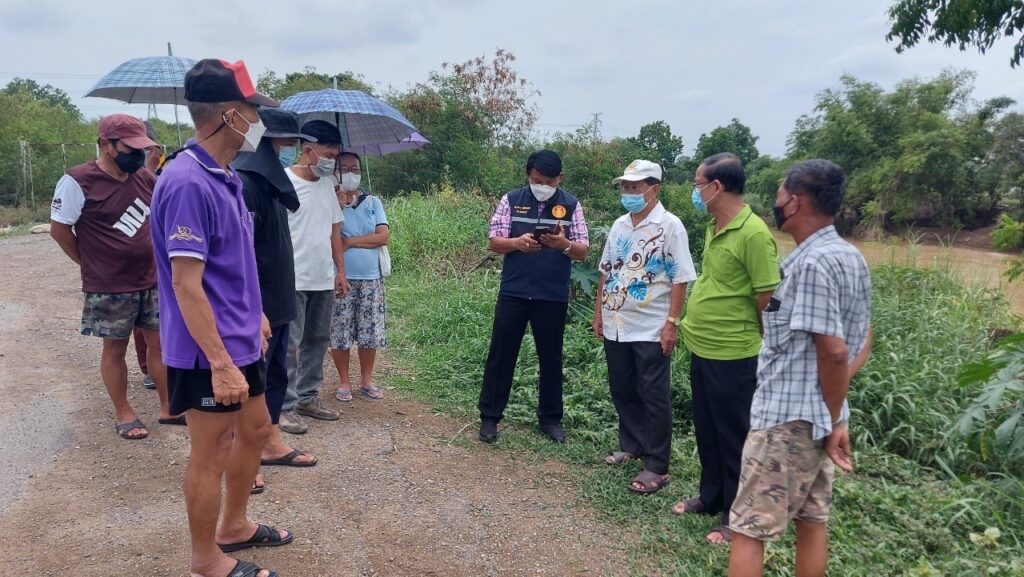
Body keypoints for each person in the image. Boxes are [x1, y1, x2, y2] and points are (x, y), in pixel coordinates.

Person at [151, 58, 289, 577]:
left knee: (255, 429)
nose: (259, 121)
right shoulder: (187, 181)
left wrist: (255, 315)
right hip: (207, 350)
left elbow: (232, 264)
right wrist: (220, 363)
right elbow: (186, 285)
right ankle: (206, 559)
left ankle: (234, 525)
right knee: (212, 449)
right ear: (230, 115)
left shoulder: (225, 176)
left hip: (240, 336)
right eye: (253, 110)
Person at [728, 159, 872, 577]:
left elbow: (835, 352)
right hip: (820, 420)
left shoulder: (811, 265)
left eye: (779, 194)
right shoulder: (850, 257)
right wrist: (834, 416)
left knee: (748, 528)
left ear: (795, 201)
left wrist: (829, 412)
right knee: (812, 521)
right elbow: (862, 339)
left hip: (785, 421)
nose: (775, 202)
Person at [670, 153, 781, 544]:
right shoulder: (714, 226)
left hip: (734, 352)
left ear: (716, 187)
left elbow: (765, 297)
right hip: (703, 345)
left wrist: (765, 345)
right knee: (707, 428)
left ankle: (738, 514)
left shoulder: (754, 234)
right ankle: (711, 495)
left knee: (734, 436)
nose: (695, 191)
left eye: (698, 184)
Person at [49, 113, 179, 440]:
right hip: (110, 286)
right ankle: (124, 412)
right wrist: (89, 263)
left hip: (151, 280)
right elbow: (60, 230)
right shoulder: (78, 181)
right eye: (130, 148)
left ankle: (168, 406)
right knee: (115, 349)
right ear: (107, 145)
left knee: (160, 344)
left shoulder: (144, 178)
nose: (137, 154)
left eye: (142, 148)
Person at [593, 160, 697, 494]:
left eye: (636, 187)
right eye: (626, 187)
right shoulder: (619, 224)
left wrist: (671, 323)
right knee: (622, 388)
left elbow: (680, 278)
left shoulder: (670, 226)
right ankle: (632, 445)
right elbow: (606, 271)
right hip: (617, 322)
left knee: (653, 394)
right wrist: (599, 313)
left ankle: (657, 464)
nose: (629, 192)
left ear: (654, 189)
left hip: (651, 325)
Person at [478, 149, 589, 444]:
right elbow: (494, 242)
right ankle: (490, 417)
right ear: (528, 174)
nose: (543, 186)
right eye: (538, 180)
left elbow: (582, 251)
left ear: (560, 178)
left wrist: (563, 244)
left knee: (551, 357)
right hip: (514, 291)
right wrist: (516, 243)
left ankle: (550, 419)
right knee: (502, 354)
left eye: (550, 181)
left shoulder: (571, 205)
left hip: (552, 294)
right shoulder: (511, 199)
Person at [234, 108, 319, 479]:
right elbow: (240, 256)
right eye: (286, 145)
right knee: (251, 381)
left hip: (280, 297)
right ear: (265, 143)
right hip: (259, 306)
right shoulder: (245, 184)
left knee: (274, 376)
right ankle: (243, 456)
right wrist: (254, 310)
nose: (290, 153)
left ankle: (269, 441)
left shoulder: (270, 184)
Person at [278, 120, 350, 434]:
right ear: (308, 150)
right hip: (292, 278)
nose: (331, 162)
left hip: (322, 278)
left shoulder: (327, 186)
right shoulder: (282, 182)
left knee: (317, 340)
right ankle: (282, 405)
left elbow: (335, 231)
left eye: (335, 156)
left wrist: (340, 271)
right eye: (328, 155)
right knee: (288, 345)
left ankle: (307, 397)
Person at [329, 152, 390, 402]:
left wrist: (351, 241)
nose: (351, 173)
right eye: (344, 169)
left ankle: (366, 380)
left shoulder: (373, 202)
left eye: (355, 168)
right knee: (340, 330)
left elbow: (383, 236)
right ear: (335, 173)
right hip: (340, 276)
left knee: (370, 331)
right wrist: (338, 206)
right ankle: (344, 381)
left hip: (371, 278)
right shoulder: (331, 202)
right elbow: (329, 237)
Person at [133, 120, 165, 390]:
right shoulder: (132, 174)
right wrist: (148, 170)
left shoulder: (168, 167)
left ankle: (167, 363)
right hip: (137, 259)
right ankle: (148, 368)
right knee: (143, 321)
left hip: (163, 252)